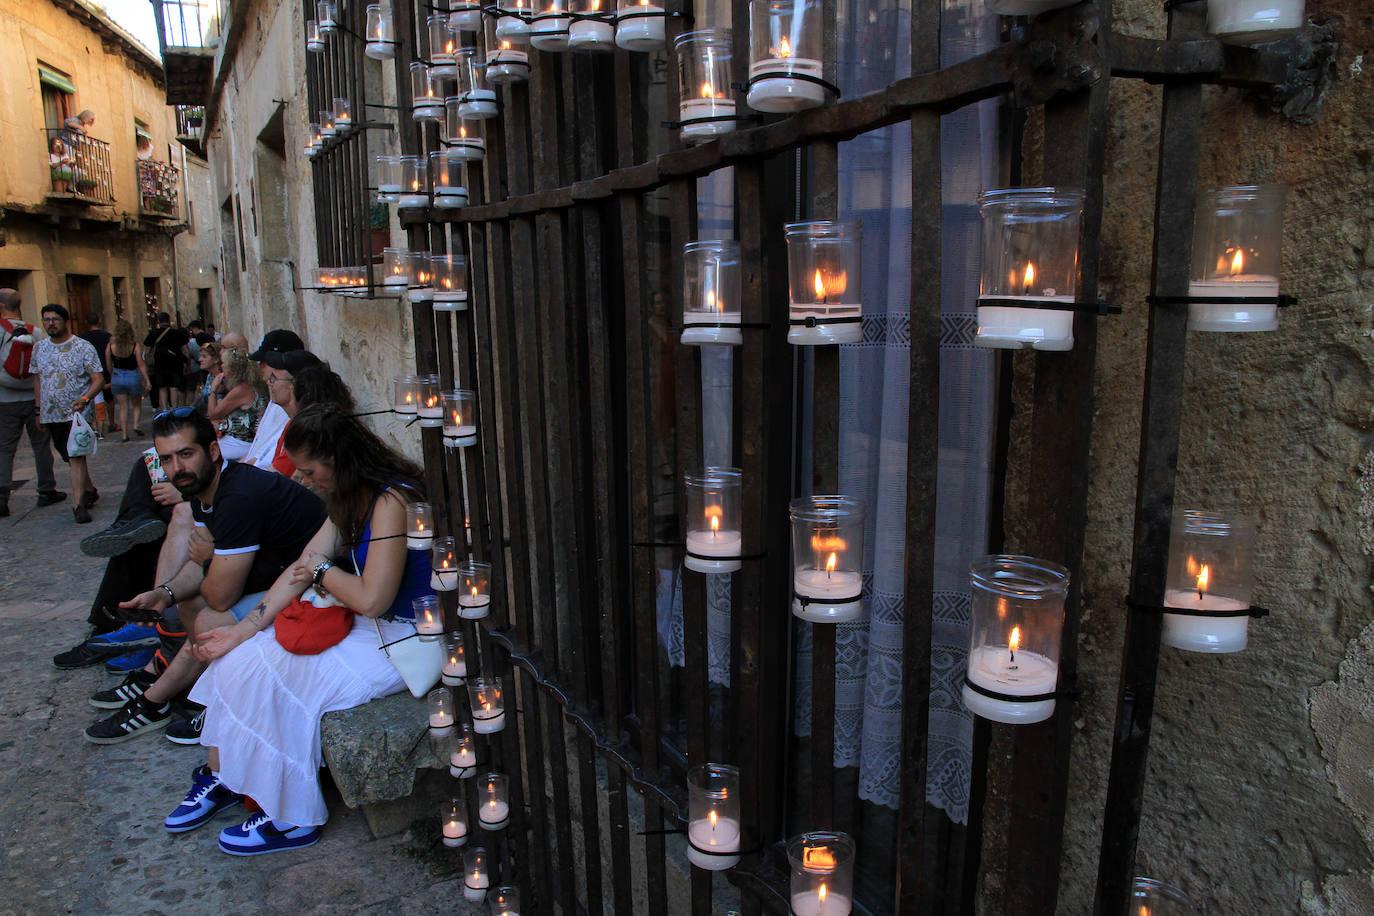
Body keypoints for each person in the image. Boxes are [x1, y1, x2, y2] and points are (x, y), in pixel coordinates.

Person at [167, 403, 430, 854]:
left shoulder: (391, 501)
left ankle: (292, 817)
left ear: (338, 460)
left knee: (292, 680)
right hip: (372, 628)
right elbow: (302, 566)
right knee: (242, 660)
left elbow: (371, 597)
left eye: (309, 470)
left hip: (407, 636)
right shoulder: (351, 497)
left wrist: (322, 570)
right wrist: (243, 630)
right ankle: (233, 772)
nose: (303, 480)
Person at [83, 409, 326, 744]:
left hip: (314, 583)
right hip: (277, 574)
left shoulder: (238, 496)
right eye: (166, 459)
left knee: (209, 618)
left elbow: (219, 595)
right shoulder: (204, 490)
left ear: (212, 451)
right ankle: (185, 692)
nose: (176, 469)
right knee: (187, 601)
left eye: (186, 454)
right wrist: (164, 594)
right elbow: (199, 566)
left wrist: (209, 560)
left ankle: (161, 701)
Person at [32, 304, 103, 523]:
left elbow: (98, 379)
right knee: (69, 455)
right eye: (46, 320)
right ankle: (89, 489)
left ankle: (78, 504)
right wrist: (38, 409)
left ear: (65, 321)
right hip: (51, 413)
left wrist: (85, 399)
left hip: (77, 413)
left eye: (55, 319)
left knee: (75, 455)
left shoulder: (83, 347)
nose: (50, 323)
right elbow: (37, 378)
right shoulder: (39, 348)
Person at [0, 289, 64, 518]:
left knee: (5, 448)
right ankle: (47, 490)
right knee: (41, 445)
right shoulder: (35, 331)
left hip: (4, 399)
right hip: (34, 398)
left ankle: (1, 496)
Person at [241, 330, 304, 468]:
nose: (260, 366)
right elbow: (260, 451)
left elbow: (273, 465)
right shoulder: (277, 398)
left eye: (266, 362)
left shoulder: (291, 405)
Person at [204, 346, 265, 462]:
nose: (221, 366)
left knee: (205, 453)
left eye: (223, 363)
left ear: (231, 368)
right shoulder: (252, 384)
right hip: (244, 440)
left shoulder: (241, 390)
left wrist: (213, 390)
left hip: (241, 443)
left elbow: (212, 414)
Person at [107, 318, 150, 441]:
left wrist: (112, 375)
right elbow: (141, 364)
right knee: (136, 404)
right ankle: (136, 425)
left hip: (117, 376)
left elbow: (108, 363)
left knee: (122, 407)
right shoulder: (135, 345)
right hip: (132, 376)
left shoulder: (111, 345)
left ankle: (124, 434)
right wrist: (147, 380)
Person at [143, 312, 190, 409]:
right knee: (174, 387)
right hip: (176, 364)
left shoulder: (153, 333)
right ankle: (174, 409)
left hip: (160, 364)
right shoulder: (177, 333)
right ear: (169, 320)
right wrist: (187, 363)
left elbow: (147, 351)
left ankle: (164, 409)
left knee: (162, 387)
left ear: (159, 321)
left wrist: (148, 363)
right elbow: (185, 350)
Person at [80, 312, 114, 436]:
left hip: (88, 370)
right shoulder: (107, 336)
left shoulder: (82, 337)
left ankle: (95, 423)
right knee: (109, 398)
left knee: (91, 397)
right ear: (99, 321)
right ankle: (111, 422)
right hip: (104, 368)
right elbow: (110, 353)